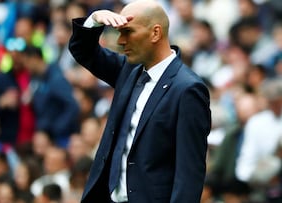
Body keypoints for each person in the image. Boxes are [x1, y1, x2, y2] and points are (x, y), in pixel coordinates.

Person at [68, 0, 211, 202]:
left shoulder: (187, 89)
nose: (121, 41)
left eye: (128, 32)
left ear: (155, 33)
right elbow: (84, 51)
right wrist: (95, 20)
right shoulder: (129, 71)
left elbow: (189, 171)